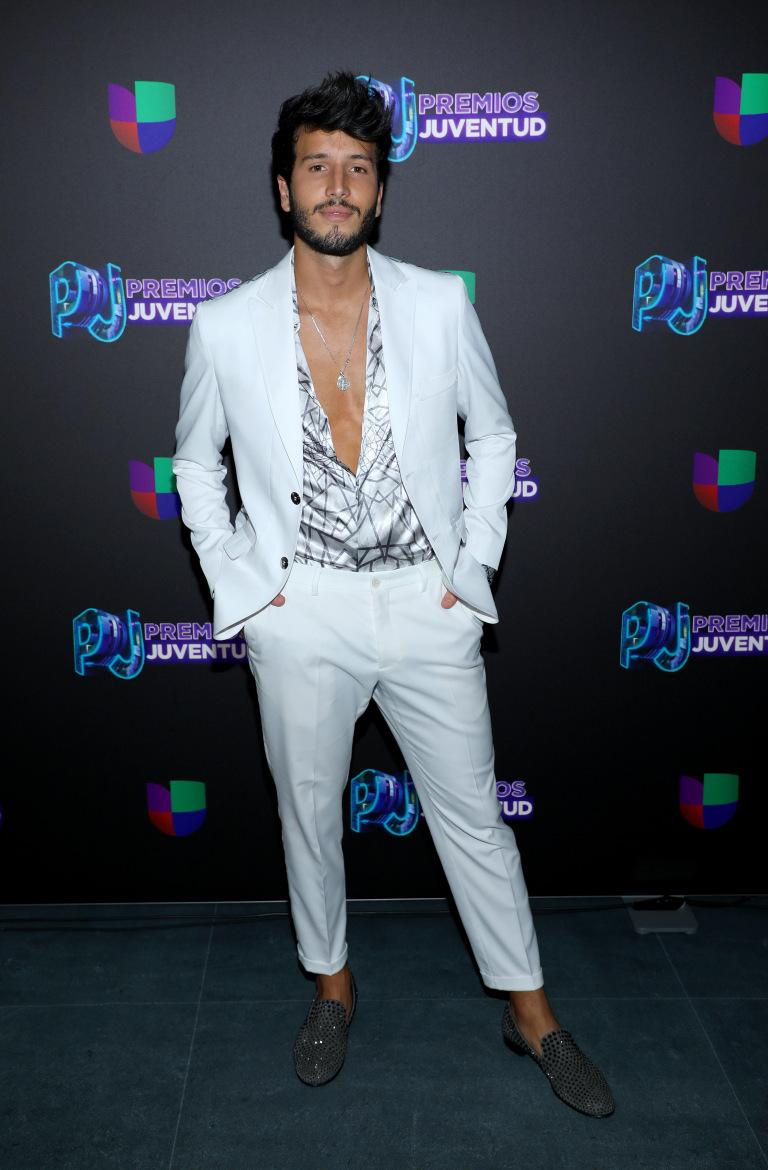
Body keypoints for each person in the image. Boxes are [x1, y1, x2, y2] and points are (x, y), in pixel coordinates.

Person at [172, 70, 614, 1117]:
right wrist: (243, 589)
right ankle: (332, 987)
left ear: (379, 190)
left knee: (475, 822)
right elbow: (194, 463)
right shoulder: (223, 326)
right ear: (284, 187)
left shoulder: (439, 303)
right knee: (309, 814)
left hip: (427, 603)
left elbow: (493, 435)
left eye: (358, 169)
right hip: (300, 611)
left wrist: (474, 565)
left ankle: (532, 1012)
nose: (337, 187)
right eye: (317, 166)